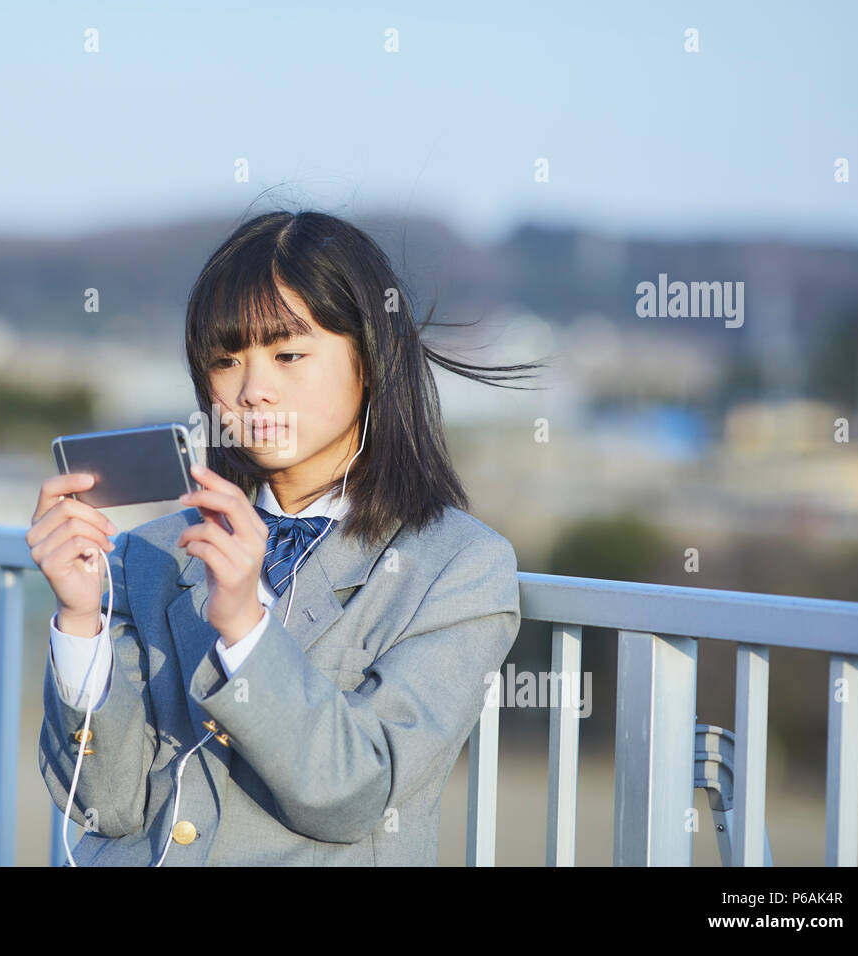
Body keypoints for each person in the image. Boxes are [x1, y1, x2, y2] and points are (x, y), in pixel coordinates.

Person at [31, 209, 545, 865]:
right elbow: (111, 805)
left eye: (289, 354)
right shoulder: (150, 552)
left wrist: (246, 624)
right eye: (225, 360)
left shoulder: (457, 566)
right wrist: (80, 621)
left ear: (371, 355)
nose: (252, 390)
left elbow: (353, 799)